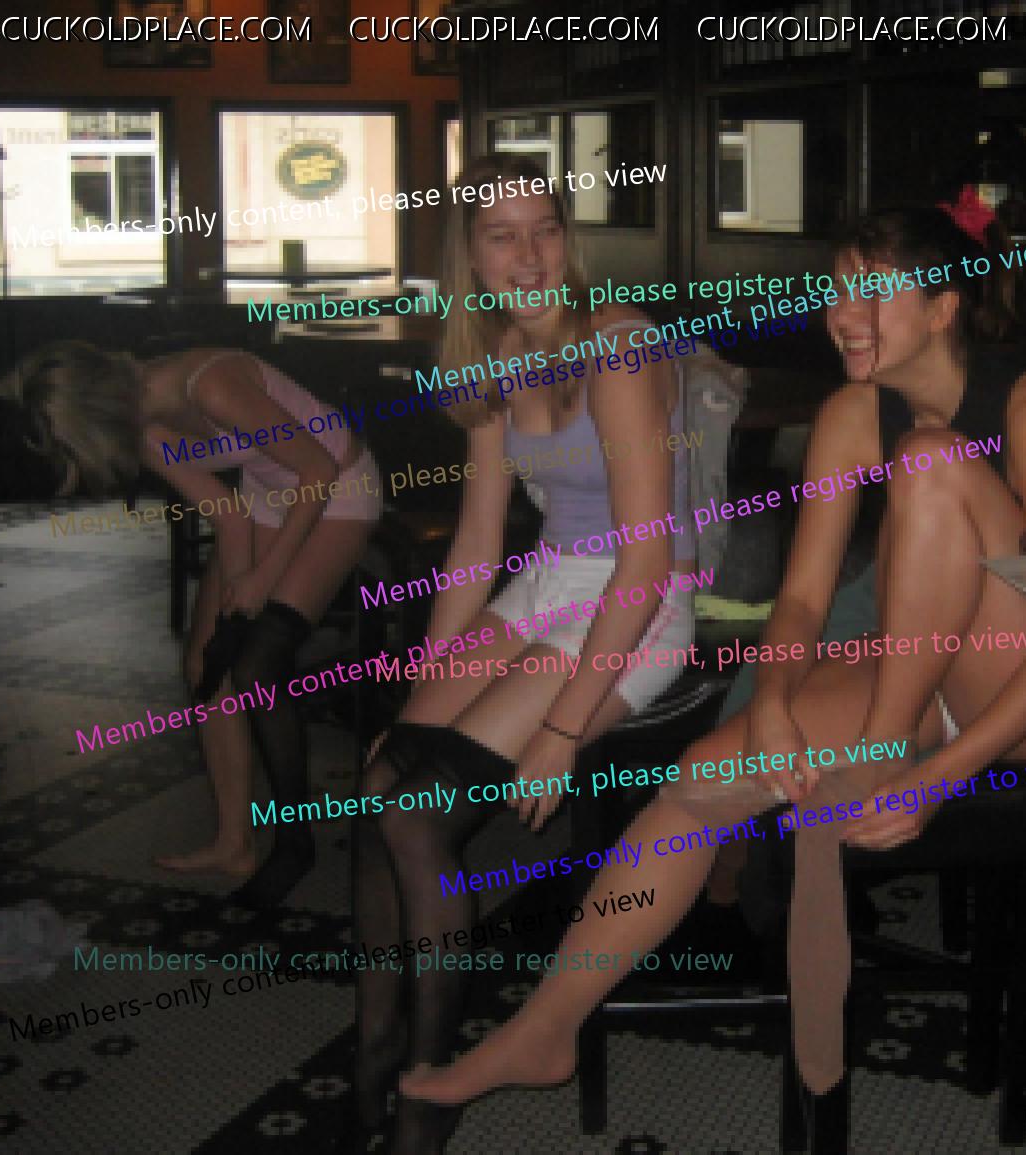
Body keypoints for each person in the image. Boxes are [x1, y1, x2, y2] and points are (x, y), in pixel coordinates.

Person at [398, 194, 1026, 1111]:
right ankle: (546, 1030)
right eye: (838, 291)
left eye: (871, 293)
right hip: (923, 680)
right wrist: (774, 703)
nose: (842, 316)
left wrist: (935, 779)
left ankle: (880, 748)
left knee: (931, 462)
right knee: (693, 786)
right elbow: (805, 599)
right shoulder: (850, 413)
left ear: (944, 306)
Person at [351, 153, 700, 1154]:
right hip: (547, 580)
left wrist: (562, 726)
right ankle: (373, 1047)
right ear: (468, 253)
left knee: (417, 816)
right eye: (502, 235)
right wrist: (430, 681)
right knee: (378, 782)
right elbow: (476, 538)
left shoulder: (618, 349)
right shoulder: (499, 351)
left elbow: (647, 558)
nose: (531, 254)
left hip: (635, 602)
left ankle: (426, 1096)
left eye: (545, 228)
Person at [3, 341, 380, 907]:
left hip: (338, 489)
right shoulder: (143, 422)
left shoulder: (211, 385)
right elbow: (227, 514)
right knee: (208, 664)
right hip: (267, 496)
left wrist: (259, 581)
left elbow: (318, 470)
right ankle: (233, 842)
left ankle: (294, 844)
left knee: (258, 665)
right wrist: (237, 595)